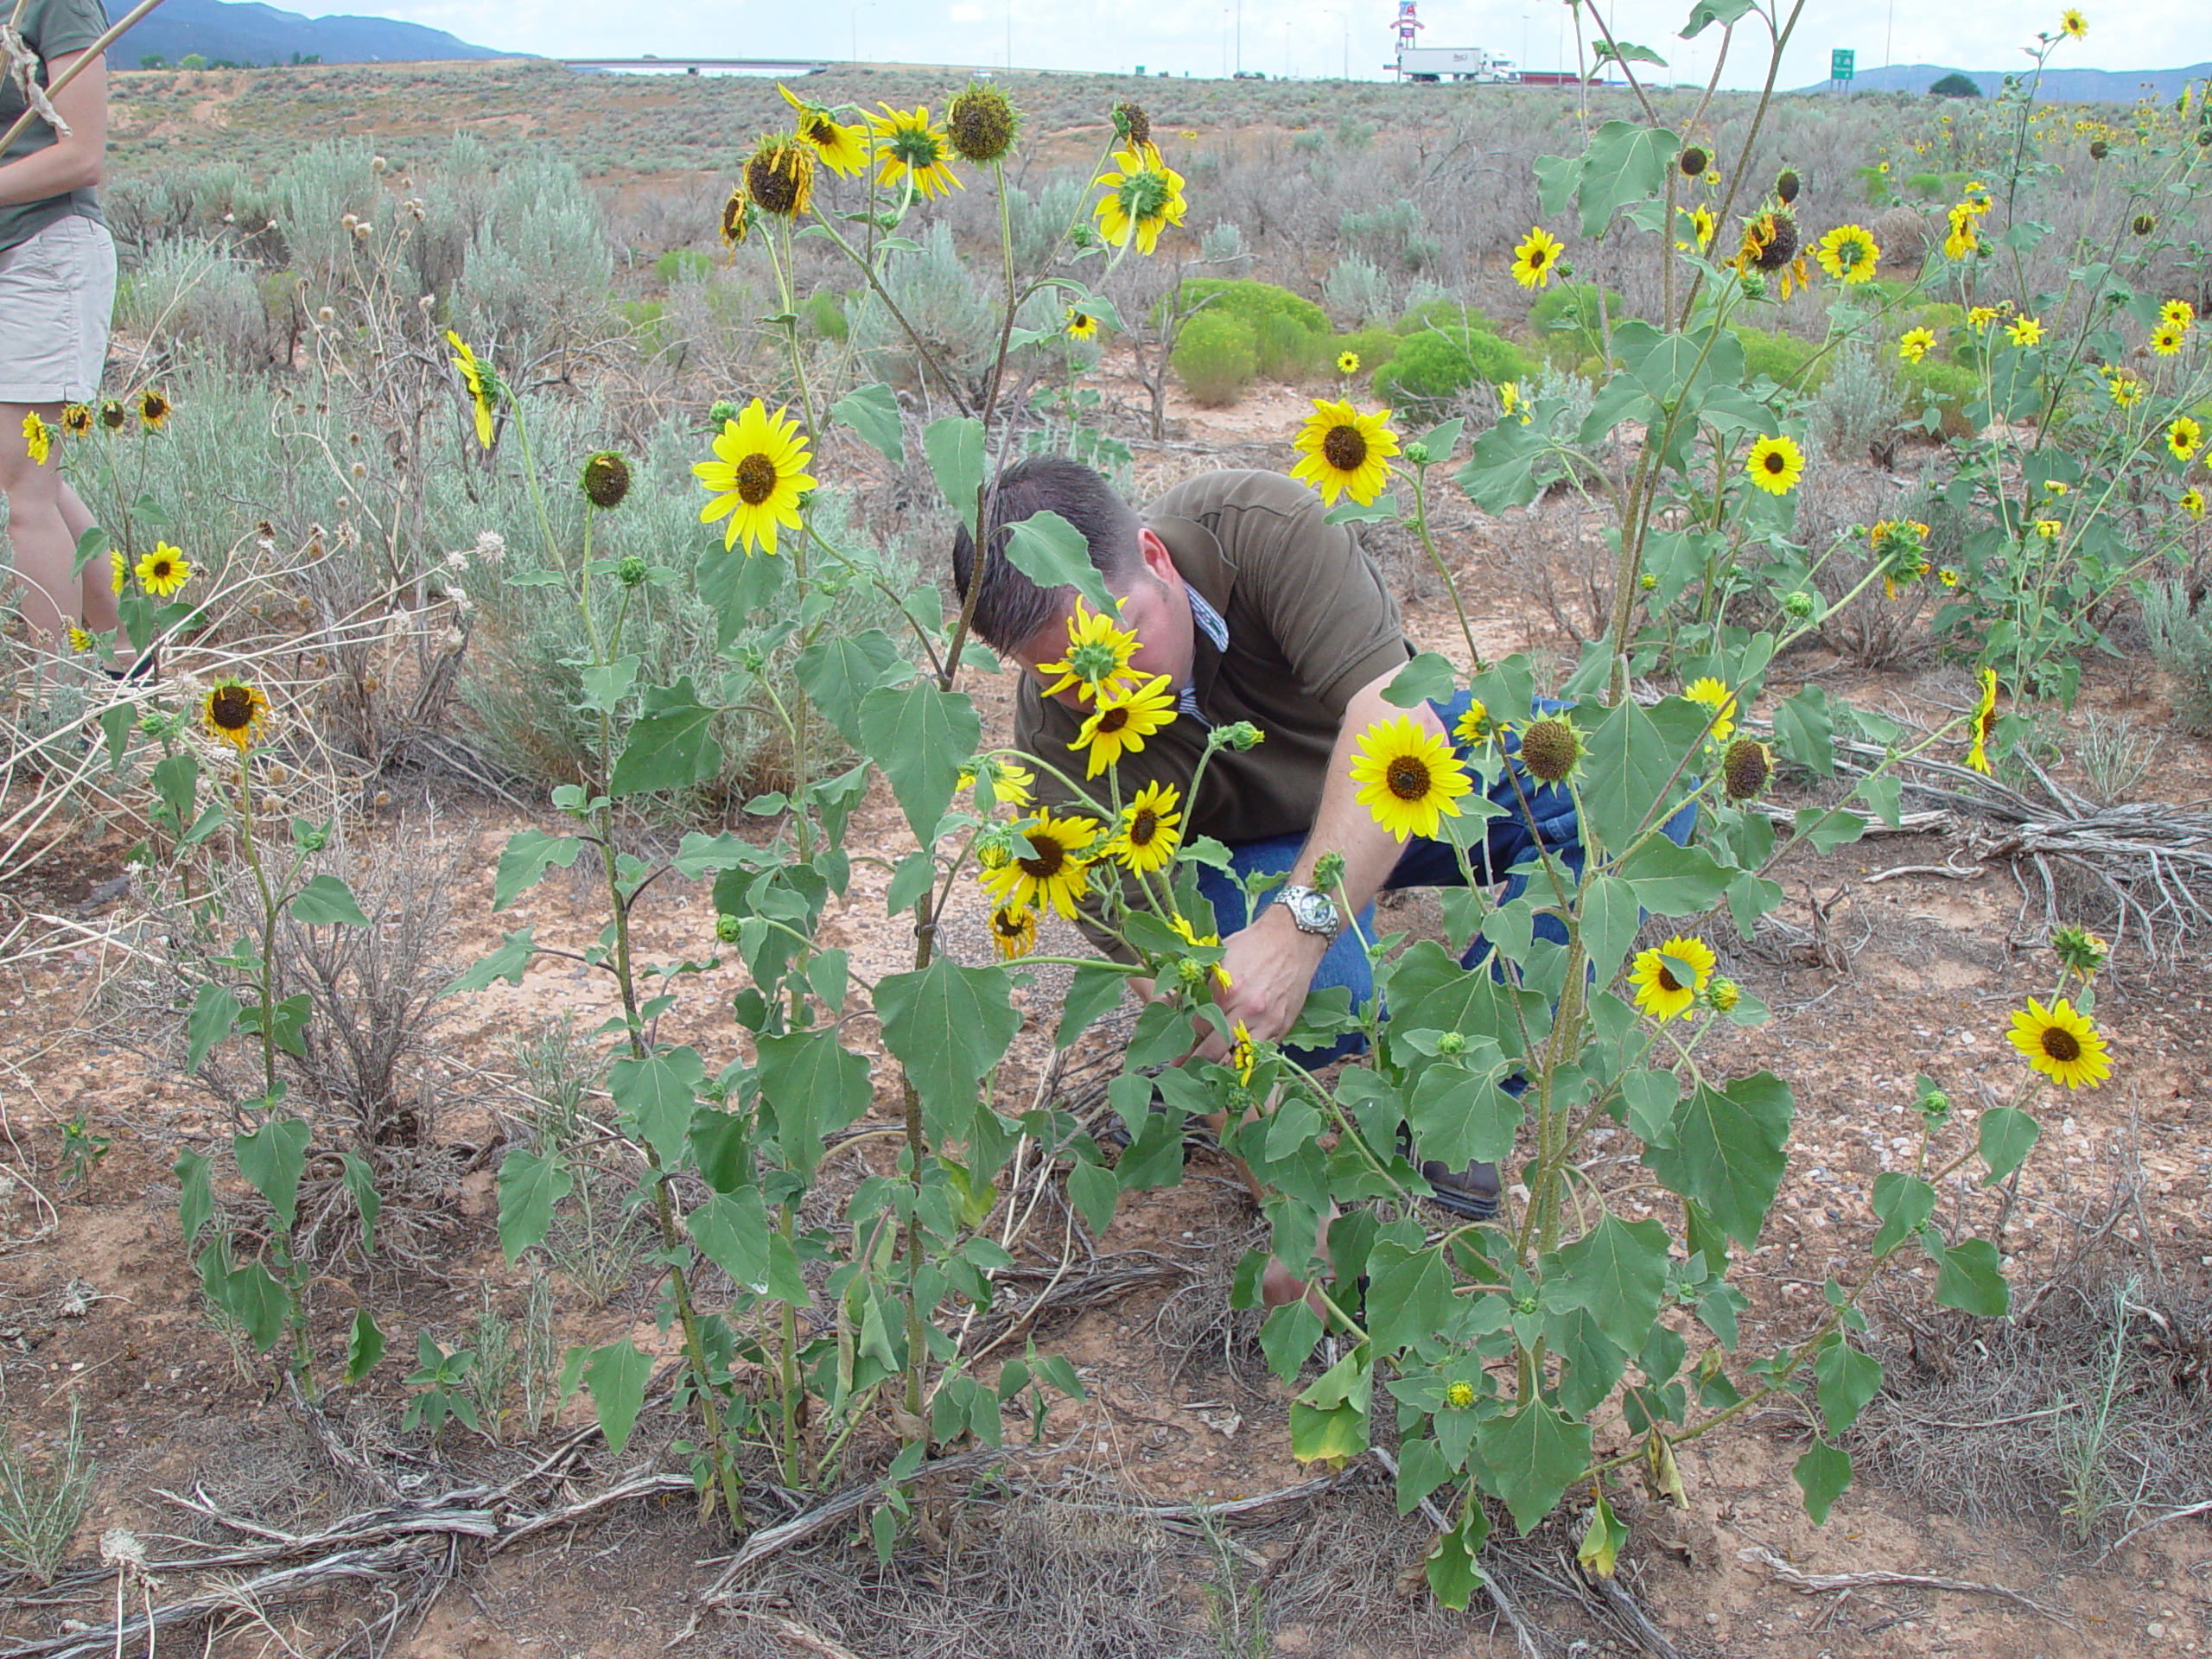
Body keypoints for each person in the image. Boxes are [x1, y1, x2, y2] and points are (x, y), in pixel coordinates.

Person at [951, 456, 1599, 1228]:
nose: (1106, 690)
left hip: (1390, 770)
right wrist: (1291, 1209)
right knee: (1309, 1005)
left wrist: (1296, 935)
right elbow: (1169, 983)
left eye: (1119, 640)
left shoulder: (1262, 527)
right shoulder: (1051, 740)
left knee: (1622, 795)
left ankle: (1470, 1096)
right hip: (1248, 847)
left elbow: (1397, 720)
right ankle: (1216, 1093)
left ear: (1155, 558)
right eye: (1063, 677)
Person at [0, 0, 117, 659]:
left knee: (26, 491)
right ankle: (128, 657)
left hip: (44, 254)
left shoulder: (53, 3)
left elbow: (81, 154)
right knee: (22, 475)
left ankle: (55, 709)